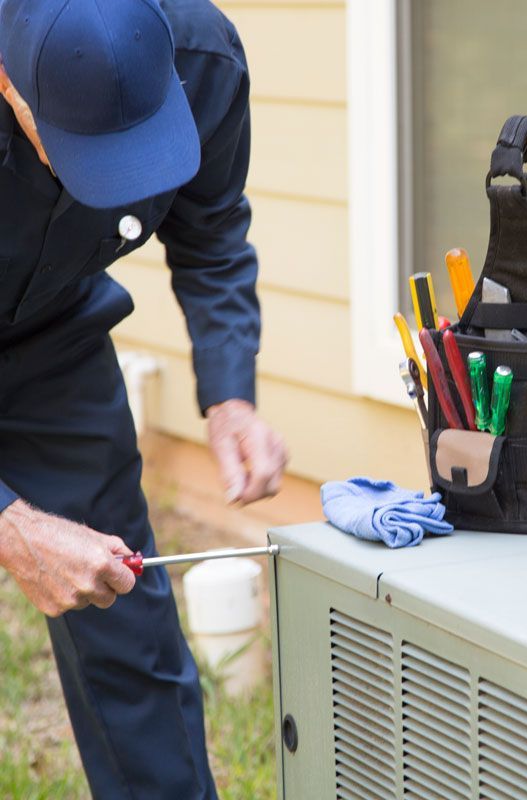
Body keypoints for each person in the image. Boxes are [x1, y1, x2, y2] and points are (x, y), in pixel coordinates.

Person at [0, 0, 287, 796]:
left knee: (121, 610)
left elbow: (212, 227)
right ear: (13, 90)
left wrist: (230, 394)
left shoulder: (203, 61)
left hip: (50, 342)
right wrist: (9, 521)